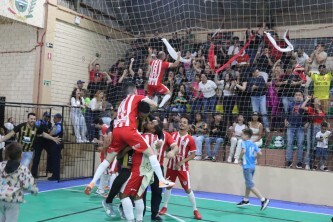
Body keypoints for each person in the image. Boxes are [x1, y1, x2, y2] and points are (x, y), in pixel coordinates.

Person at [84, 83, 174, 195]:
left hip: (117, 130)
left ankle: (92, 182)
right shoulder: (136, 97)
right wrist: (160, 102)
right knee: (151, 153)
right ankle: (161, 180)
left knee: (108, 160)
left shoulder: (122, 102)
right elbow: (154, 104)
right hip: (128, 130)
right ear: (135, 91)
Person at [159, 116, 202, 220]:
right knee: (168, 186)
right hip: (171, 166)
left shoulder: (190, 139)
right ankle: (164, 206)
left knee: (187, 189)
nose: (182, 124)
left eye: (184, 122)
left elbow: (193, 155)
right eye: (181, 122)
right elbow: (166, 147)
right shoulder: (173, 135)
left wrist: (181, 162)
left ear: (188, 126)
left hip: (182, 168)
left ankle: (195, 209)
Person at [0, 142, 38, 222]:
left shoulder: (1, 165)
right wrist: (34, 191)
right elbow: (30, 185)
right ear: (21, 156)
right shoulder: (23, 169)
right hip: (13, 201)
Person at [237, 128, 270, 211]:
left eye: (243, 134)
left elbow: (243, 151)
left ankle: (263, 200)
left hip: (247, 167)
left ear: (247, 136)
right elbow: (260, 153)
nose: (241, 135)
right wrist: (254, 157)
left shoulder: (243, 143)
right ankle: (246, 200)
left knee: (250, 185)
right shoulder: (253, 144)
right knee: (248, 183)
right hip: (252, 167)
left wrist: (239, 158)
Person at [285, 91, 305, 169]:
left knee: (300, 144)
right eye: (296, 95)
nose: (298, 96)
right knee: (289, 143)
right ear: (294, 96)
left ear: (302, 96)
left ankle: (299, 162)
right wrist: (285, 120)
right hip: (291, 126)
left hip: (300, 127)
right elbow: (287, 113)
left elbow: (307, 114)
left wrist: (306, 122)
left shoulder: (304, 104)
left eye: (299, 95)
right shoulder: (290, 104)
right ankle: (289, 161)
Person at [31, 112, 53, 178]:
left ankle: (49, 170)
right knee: (36, 158)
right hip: (39, 142)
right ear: (43, 116)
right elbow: (35, 130)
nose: (47, 118)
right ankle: (33, 174)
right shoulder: (38, 122)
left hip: (46, 142)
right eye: (46, 116)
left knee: (52, 154)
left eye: (48, 117)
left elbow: (50, 132)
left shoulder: (50, 124)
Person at [48, 113, 63, 181]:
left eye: (55, 118)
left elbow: (52, 133)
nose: (53, 119)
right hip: (55, 145)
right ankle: (55, 175)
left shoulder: (58, 126)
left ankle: (55, 175)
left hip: (56, 145)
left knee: (55, 160)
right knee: (54, 160)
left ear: (59, 119)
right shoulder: (57, 125)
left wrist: (49, 133)